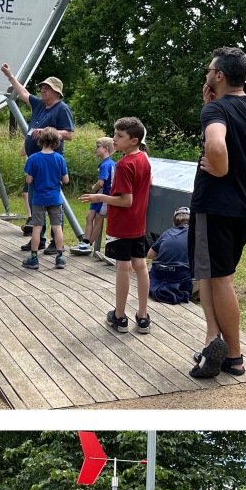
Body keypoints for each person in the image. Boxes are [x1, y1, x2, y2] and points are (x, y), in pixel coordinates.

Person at [188, 47, 246, 379]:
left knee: (221, 279)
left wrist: (220, 169)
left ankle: (234, 356)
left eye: (209, 70)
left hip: (216, 204)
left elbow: (218, 145)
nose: (206, 74)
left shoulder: (217, 111)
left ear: (219, 75)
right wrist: (212, 105)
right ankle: (213, 340)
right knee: (211, 273)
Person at [80, 118, 152, 335]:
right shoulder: (144, 159)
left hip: (123, 226)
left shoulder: (123, 165)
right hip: (139, 224)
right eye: (115, 134)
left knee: (123, 268)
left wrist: (100, 196)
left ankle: (120, 317)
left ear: (134, 140)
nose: (114, 139)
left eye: (120, 136)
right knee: (141, 267)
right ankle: (142, 317)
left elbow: (126, 200)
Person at [0, 63, 74, 250]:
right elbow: (23, 93)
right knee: (35, 201)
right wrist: (10, 76)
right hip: (36, 161)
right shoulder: (40, 105)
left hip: (51, 162)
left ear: (56, 92)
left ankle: (54, 242)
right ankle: (38, 238)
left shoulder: (62, 108)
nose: (42, 90)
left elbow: (69, 134)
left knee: (53, 202)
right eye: (42, 87)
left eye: (46, 88)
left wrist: (47, 131)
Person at [22, 128, 69, 272]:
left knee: (37, 227)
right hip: (55, 198)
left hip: (39, 199)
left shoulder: (33, 158)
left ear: (40, 140)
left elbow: (29, 180)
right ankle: (60, 256)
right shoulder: (59, 158)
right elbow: (66, 180)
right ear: (57, 142)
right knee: (57, 227)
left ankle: (34, 258)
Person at [75, 137, 116, 253]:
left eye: (98, 147)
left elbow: (101, 182)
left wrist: (93, 188)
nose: (95, 149)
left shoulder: (105, 165)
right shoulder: (110, 163)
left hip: (104, 195)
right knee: (89, 217)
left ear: (106, 149)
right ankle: (85, 241)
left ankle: (88, 244)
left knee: (98, 219)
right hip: (100, 194)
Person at [148, 207, 194, 304]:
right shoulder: (195, 235)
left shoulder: (166, 233)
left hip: (159, 274)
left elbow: (150, 255)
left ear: (174, 222)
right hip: (181, 276)